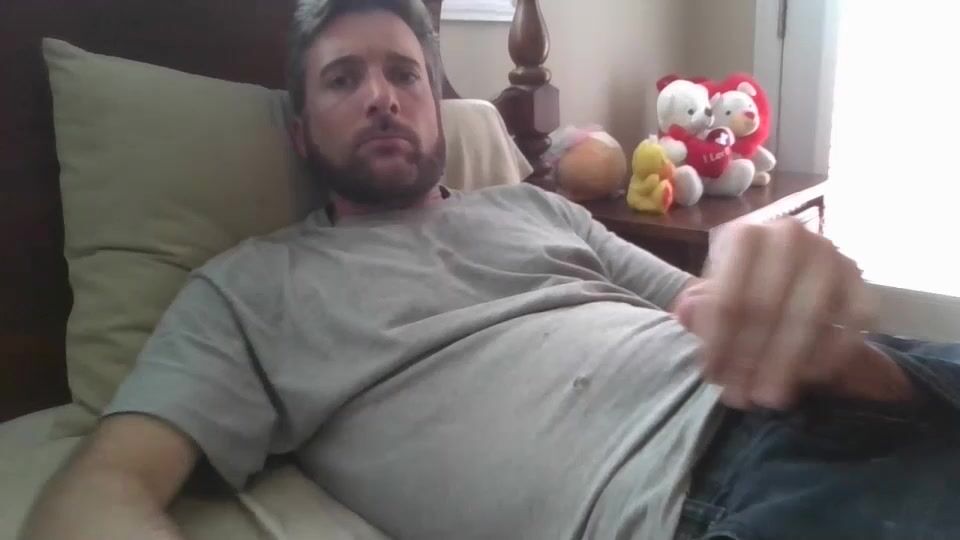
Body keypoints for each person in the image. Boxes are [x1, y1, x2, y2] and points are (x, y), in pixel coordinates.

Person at [20, 1, 960, 539]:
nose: (382, 97)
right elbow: (102, 488)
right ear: (300, 133)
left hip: (862, 386)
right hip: (722, 492)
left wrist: (782, 295)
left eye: (404, 74)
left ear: (436, 106)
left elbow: (707, 311)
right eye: (343, 79)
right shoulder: (248, 291)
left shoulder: (534, 206)